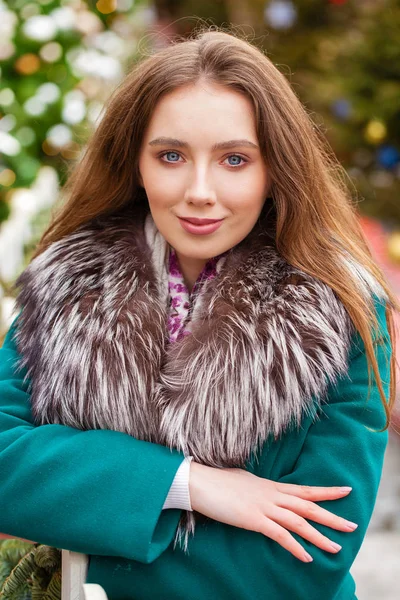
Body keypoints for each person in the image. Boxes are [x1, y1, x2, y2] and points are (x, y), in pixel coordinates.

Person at [0, 27, 398, 600]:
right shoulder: (66, 285)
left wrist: (81, 552)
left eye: (235, 159)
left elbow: (306, 562)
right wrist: (186, 484)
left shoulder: (343, 308)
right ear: (136, 163)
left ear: (274, 172)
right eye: (171, 156)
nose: (200, 191)